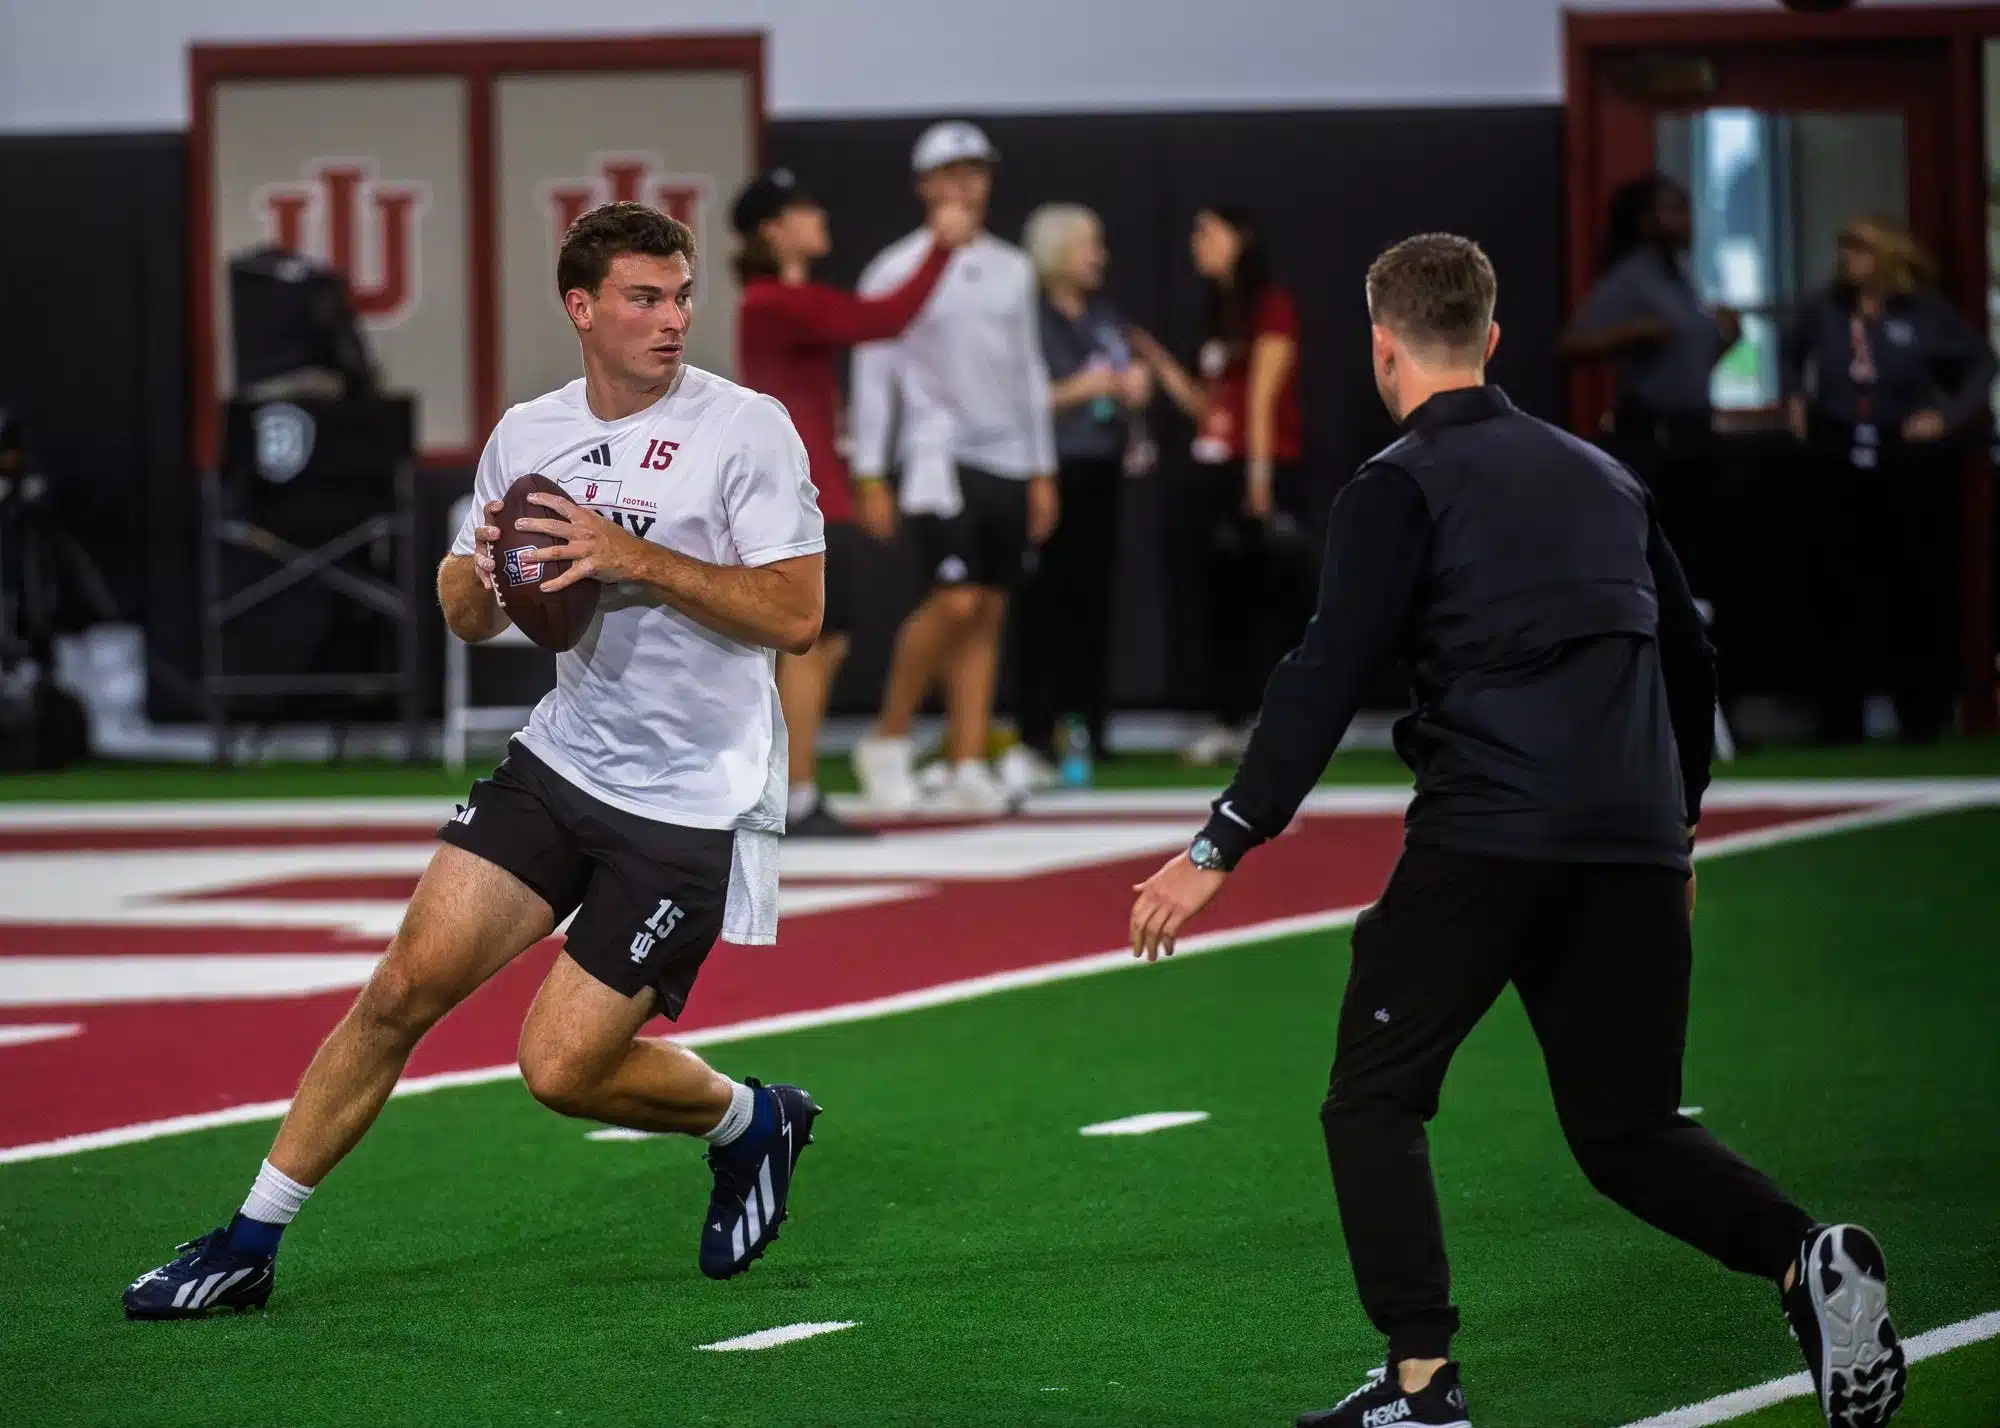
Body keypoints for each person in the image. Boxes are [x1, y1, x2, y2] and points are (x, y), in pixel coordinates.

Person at [1129, 234, 1905, 1428]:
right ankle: (1802, 1260)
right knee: (1626, 1128)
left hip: (1487, 831)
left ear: (1381, 349)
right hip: (1630, 842)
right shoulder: (1605, 478)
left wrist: (1218, 844)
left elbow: (1323, 674)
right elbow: (1689, 657)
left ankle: (1421, 1386)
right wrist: (1676, 829)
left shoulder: (1395, 483)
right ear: (1490, 338)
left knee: (1372, 1097)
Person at [124, 202, 832, 1317]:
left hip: (692, 798)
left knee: (559, 1070)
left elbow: (796, 615)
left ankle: (751, 1120)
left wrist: (632, 556)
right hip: (562, 763)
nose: (672, 320)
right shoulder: (529, 433)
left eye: (682, 296)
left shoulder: (747, 428)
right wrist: (486, 570)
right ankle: (248, 1242)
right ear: (581, 308)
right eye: (644, 298)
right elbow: (465, 610)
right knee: (400, 988)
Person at [732, 166, 976, 835]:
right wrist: (941, 247)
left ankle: (794, 790)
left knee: (824, 646)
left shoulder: (780, 303)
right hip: (799, 499)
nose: (819, 218)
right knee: (808, 648)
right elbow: (884, 318)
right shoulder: (770, 303)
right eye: (804, 209)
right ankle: (794, 795)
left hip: (817, 495)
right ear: (772, 230)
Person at [847, 121, 1058, 814]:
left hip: (1007, 459)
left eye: (977, 171)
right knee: (955, 601)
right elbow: (873, 377)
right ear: (925, 185)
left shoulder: (1014, 268)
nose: (967, 185)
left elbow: (1029, 370)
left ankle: (968, 759)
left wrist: (1041, 468)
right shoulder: (893, 269)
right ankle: (889, 736)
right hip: (935, 458)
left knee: (988, 610)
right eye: (952, 173)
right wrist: (870, 471)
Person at [1783, 215, 1995, 744]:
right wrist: (1794, 396)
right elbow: (1790, 348)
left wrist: (1946, 417)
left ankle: (1921, 713)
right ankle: (1840, 716)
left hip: (1905, 457)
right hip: (1837, 451)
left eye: (1859, 248)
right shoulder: (1824, 307)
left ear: (1888, 255)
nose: (1847, 258)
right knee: (1838, 582)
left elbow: (1980, 364)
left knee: (1914, 583)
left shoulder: (1924, 311)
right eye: (1844, 247)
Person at [1130, 204, 1306, 766]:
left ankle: (1287, 726)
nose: (1196, 243)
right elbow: (1209, 408)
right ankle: (1230, 719)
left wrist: (1259, 479)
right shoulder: (1214, 313)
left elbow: (1262, 398)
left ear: (1241, 238)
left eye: (1207, 232)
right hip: (1215, 471)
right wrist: (1159, 363)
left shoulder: (1270, 305)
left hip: (1262, 468)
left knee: (1273, 600)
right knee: (1222, 604)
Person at [1009, 202, 1151, 784]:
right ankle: (1037, 728)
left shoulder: (1103, 316)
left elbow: (1122, 372)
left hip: (1101, 468)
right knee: (1045, 600)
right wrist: (1086, 387)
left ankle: (1091, 724)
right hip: (1052, 470)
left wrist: (1133, 384)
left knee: (1094, 601)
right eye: (1088, 245)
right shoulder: (1030, 318)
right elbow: (1021, 395)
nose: (1099, 257)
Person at [1561, 173, 1741, 598]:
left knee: (1699, 547)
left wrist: (1725, 340)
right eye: (1675, 210)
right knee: (1663, 549)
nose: (1687, 221)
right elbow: (1569, 345)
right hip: (1653, 437)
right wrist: (1632, 332)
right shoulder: (1630, 278)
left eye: (1688, 210)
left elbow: (1686, 364)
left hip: (1695, 431)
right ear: (1646, 221)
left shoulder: (1681, 276)